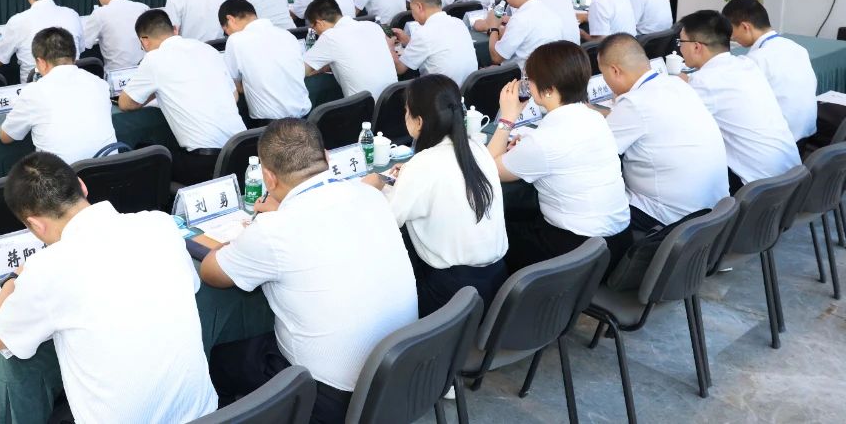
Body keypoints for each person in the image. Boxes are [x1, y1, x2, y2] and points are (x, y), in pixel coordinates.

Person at [199, 119, 416, 423]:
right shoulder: (370, 195)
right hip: (401, 374)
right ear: (326, 157)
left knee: (220, 360)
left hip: (329, 398)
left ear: (268, 179)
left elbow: (211, 272)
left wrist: (250, 233)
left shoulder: (274, 230)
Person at [0, 152, 218, 423]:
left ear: (35, 224)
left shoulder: (45, 269)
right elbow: (193, 285)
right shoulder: (160, 223)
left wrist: (12, 281)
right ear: (82, 186)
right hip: (205, 416)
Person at [365, 75, 507, 315]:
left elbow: (387, 219)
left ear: (419, 122)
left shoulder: (423, 165)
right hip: (496, 282)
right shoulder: (477, 149)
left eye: (407, 111)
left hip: (451, 295)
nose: (405, 116)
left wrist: (372, 186)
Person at [486, 41, 632, 273]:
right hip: (618, 242)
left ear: (549, 90)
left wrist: (507, 118)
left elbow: (489, 169)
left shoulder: (543, 141)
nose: (527, 85)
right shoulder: (595, 118)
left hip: (576, 252)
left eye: (529, 79)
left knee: (493, 233)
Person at [596, 34, 729, 233]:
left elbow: (596, 151)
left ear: (615, 71)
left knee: (592, 202)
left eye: (603, 74)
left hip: (672, 219)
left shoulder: (634, 103)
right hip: (714, 212)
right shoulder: (676, 84)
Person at [118, 9, 246, 184]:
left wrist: (155, 92)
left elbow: (125, 103)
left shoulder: (154, 58)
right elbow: (234, 97)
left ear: (144, 41)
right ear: (175, 30)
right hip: (242, 151)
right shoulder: (206, 49)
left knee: (143, 154)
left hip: (206, 163)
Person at [678, 9, 799, 190]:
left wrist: (676, 86)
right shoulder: (746, 64)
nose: (680, 48)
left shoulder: (705, 82)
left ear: (697, 47)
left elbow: (675, 122)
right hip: (792, 175)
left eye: (681, 42)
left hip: (758, 188)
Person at [0, 28, 118, 161]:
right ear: (74, 58)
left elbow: (6, 136)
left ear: (41, 63)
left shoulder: (34, 92)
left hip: (61, 173)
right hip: (110, 169)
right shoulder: (99, 83)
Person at [723, 0, 818, 141]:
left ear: (745, 27)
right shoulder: (797, 48)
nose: (732, 37)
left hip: (782, 139)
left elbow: (734, 100)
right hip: (807, 132)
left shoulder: (756, 60)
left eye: (732, 33)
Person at [219, 0, 311, 123]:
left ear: (230, 19)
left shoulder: (236, 40)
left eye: (226, 30)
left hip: (270, 125)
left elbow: (234, 83)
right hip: (305, 119)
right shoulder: (287, 35)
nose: (228, 34)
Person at [0, 0, 84, 83]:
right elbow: (80, 49)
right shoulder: (72, 15)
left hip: (34, 88)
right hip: (72, 84)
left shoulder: (17, 21)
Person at [302, 0, 396, 100]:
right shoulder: (373, 26)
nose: (315, 32)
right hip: (392, 102)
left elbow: (300, 70)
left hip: (363, 107)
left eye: (313, 28)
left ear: (319, 23)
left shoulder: (330, 37)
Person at [389, 0, 478, 86]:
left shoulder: (423, 33)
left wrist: (389, 46)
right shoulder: (459, 23)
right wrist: (409, 41)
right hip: (468, 90)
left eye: (412, 9)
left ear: (419, 7)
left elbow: (399, 69)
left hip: (440, 93)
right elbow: (435, 46)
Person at [486, 0, 567, 68]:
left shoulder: (520, 18)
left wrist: (493, 27)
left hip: (524, 75)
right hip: (549, 71)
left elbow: (496, 57)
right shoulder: (551, 13)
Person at [83, 0, 148, 70]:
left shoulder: (99, 14)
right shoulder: (143, 8)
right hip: (144, 70)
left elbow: (83, 44)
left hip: (116, 74)